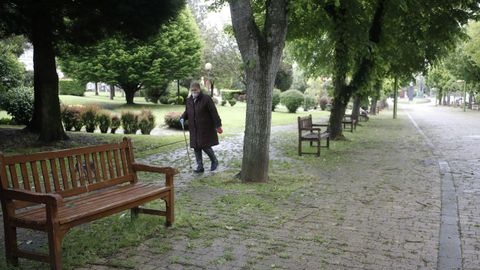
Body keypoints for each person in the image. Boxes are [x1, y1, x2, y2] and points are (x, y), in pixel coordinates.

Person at [180, 82, 223, 173]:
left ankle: (214, 161)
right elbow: (187, 111)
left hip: (205, 127)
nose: (194, 92)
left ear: (199, 90)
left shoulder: (206, 99)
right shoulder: (189, 100)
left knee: (205, 146)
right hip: (194, 128)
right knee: (196, 147)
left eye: (195, 90)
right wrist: (183, 117)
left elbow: (213, 112)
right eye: (192, 90)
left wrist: (218, 125)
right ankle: (200, 166)